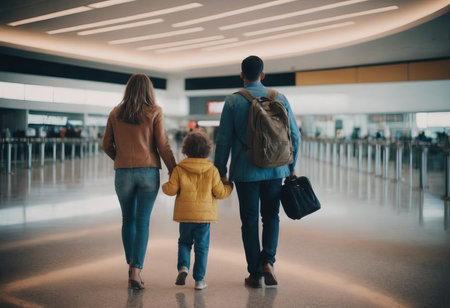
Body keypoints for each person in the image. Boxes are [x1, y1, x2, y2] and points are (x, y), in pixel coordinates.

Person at [214, 55, 300, 288]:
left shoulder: (233, 101)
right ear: (263, 75)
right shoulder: (279, 97)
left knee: (250, 221)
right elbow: (294, 134)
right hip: (276, 169)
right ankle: (268, 262)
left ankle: (254, 273)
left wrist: (219, 170)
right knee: (271, 216)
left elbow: (223, 141)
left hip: (245, 171)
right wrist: (291, 167)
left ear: (242, 75)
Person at [102, 73, 177, 290]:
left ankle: (130, 265)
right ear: (148, 90)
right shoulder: (154, 111)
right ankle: (136, 269)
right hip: (148, 172)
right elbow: (163, 145)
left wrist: (120, 158)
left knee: (128, 219)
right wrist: (174, 170)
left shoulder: (115, 113)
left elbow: (106, 144)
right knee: (142, 221)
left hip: (123, 172)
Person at [162, 130, 233, 290]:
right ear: (207, 150)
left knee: (184, 242)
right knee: (202, 247)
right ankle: (199, 281)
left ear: (185, 149)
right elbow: (220, 193)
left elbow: (170, 190)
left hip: (185, 215)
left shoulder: (179, 169)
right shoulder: (212, 170)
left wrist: (165, 185)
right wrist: (229, 187)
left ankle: (183, 267)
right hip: (204, 217)